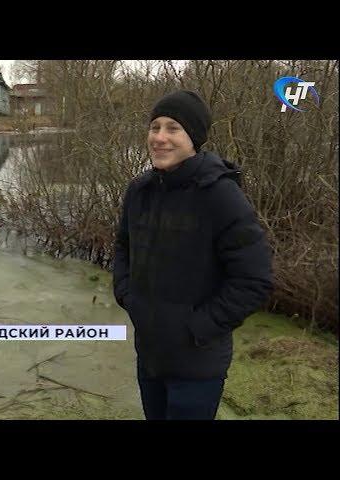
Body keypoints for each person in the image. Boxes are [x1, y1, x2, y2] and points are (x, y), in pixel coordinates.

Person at [113, 90, 273, 420]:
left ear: (194, 137)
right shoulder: (139, 191)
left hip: (197, 364)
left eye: (173, 128)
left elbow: (253, 280)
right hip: (150, 356)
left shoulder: (220, 195)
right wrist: (129, 297)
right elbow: (123, 247)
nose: (159, 137)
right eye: (154, 127)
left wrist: (196, 327)